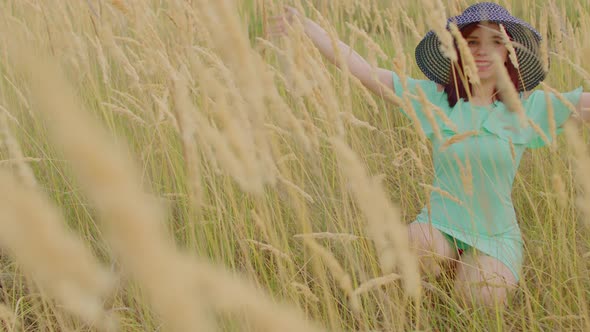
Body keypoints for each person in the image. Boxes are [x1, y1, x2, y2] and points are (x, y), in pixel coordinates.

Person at [269, 2, 590, 307]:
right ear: (458, 48)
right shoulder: (436, 99)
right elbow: (366, 72)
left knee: (482, 298)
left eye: (494, 41)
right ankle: (445, 266)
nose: (481, 50)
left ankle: (470, 270)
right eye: (472, 41)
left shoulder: (528, 108)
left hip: (496, 234)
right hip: (439, 225)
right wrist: (310, 29)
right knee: (411, 247)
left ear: (508, 51)